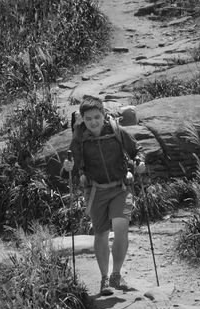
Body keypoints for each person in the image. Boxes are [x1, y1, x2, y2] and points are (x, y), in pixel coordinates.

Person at [62, 95, 146, 296]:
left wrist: (140, 161)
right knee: (100, 235)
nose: (93, 122)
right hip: (95, 191)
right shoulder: (80, 139)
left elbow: (136, 149)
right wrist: (68, 167)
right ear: (83, 119)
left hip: (120, 187)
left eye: (97, 117)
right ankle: (105, 279)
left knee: (121, 225)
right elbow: (70, 169)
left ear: (103, 115)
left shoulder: (116, 131)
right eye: (89, 118)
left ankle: (116, 275)